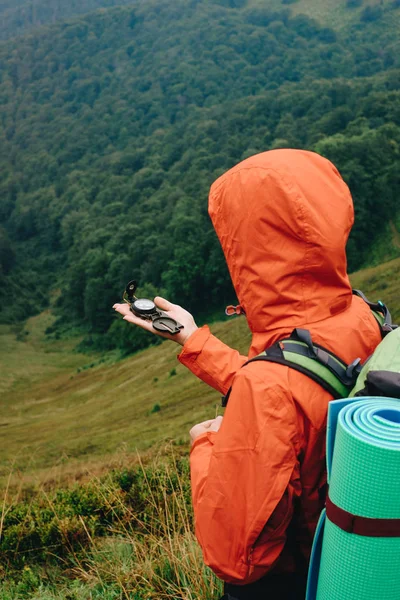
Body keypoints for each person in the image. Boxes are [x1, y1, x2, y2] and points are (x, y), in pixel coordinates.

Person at [113, 149, 382, 600]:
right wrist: (193, 338)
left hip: (294, 580)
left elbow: (236, 558)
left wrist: (206, 443)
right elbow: (305, 390)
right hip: (347, 560)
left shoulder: (268, 387)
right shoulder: (360, 313)